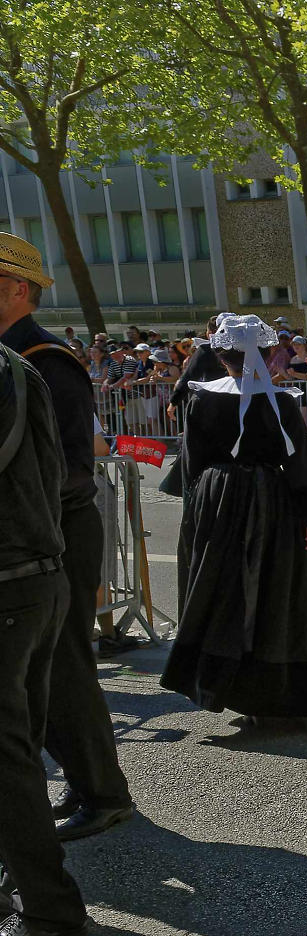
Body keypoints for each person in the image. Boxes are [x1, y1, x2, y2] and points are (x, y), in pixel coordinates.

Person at [0, 231, 134, 841]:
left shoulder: (46, 360)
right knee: (47, 670)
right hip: (33, 530)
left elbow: (76, 463)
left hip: (56, 529)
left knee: (67, 665)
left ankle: (102, 793)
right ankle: (86, 784)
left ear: (18, 289)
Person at [160, 315, 307, 726]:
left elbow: (192, 463)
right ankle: (293, 698)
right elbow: (298, 462)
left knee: (227, 592)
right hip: (270, 500)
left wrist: (198, 511)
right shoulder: (279, 400)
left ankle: (242, 693)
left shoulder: (202, 397)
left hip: (218, 501)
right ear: (266, 354)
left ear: (221, 355)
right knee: (281, 592)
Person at [0, 338, 91, 936]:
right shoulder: (17, 365)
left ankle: (47, 907)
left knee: (8, 763)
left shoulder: (19, 365)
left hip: (12, 581)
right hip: (30, 576)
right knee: (16, 753)